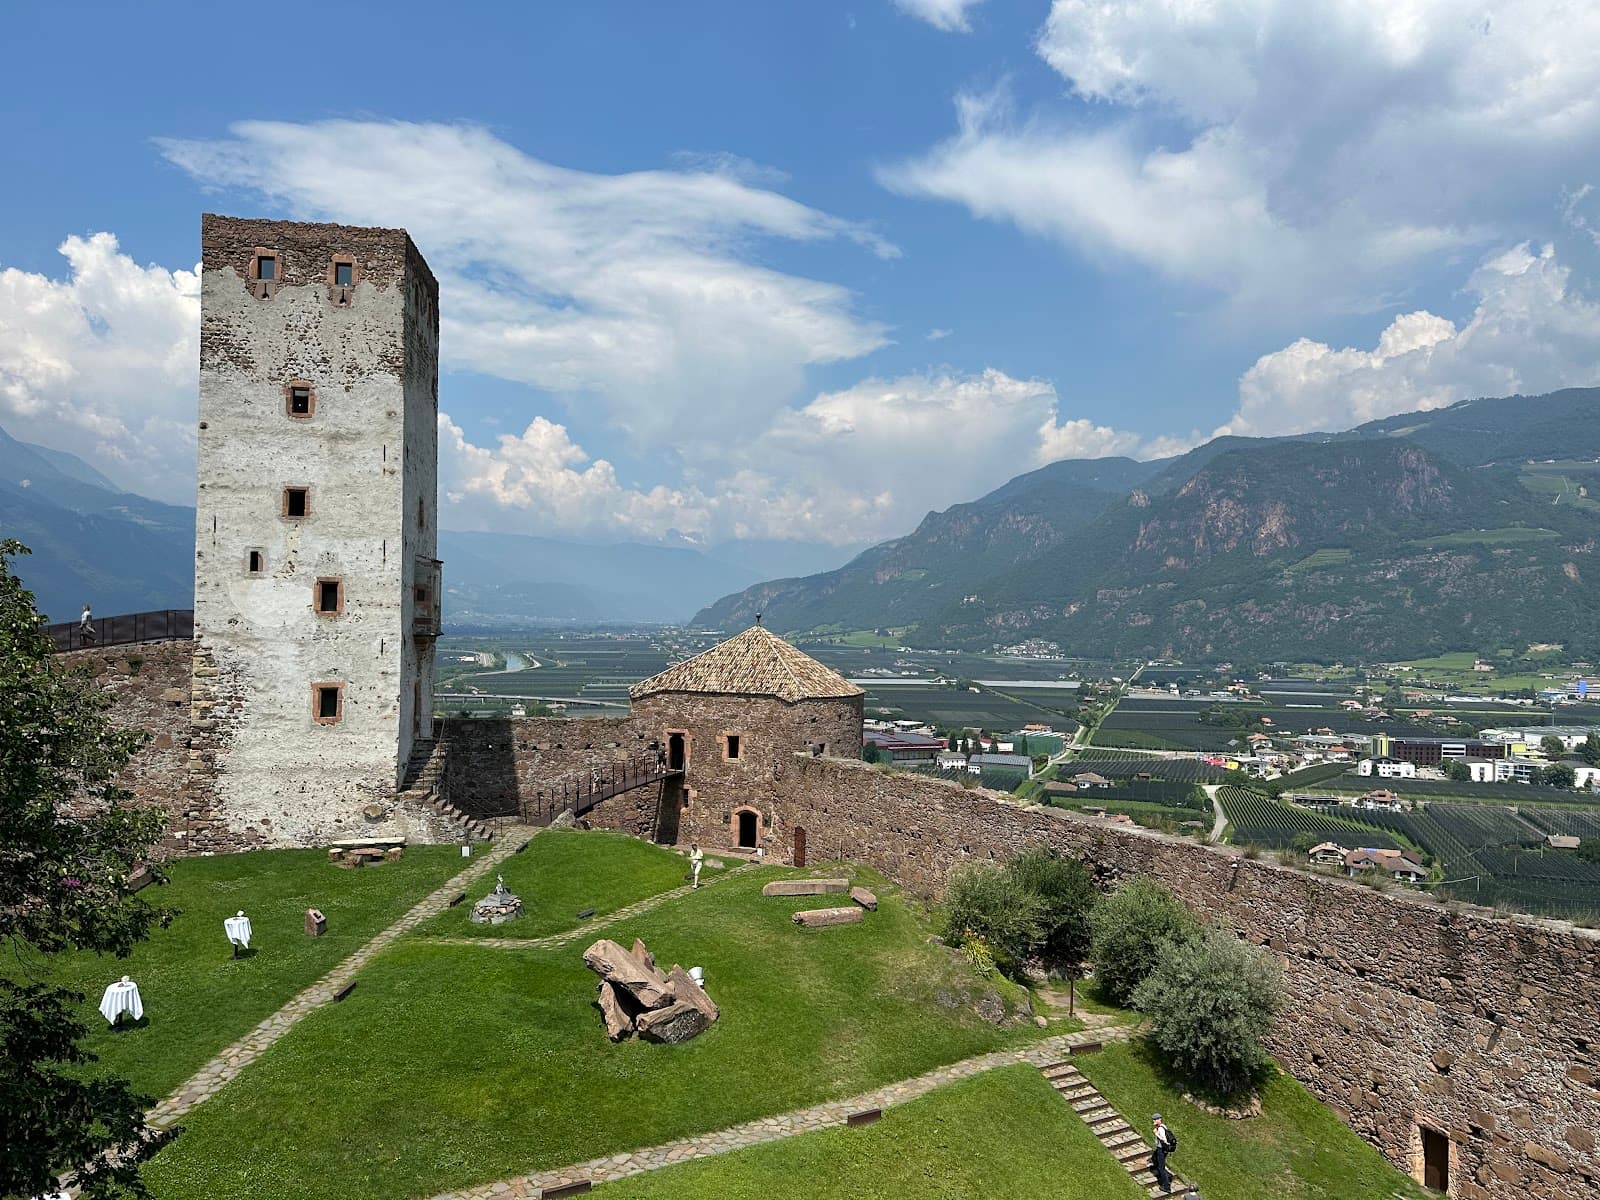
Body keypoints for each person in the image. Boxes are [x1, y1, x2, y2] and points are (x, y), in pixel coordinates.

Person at [1151, 1113, 1175, 1193]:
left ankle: (1166, 1186)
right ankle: (1158, 1170)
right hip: (1161, 1149)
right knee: (1154, 1158)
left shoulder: (1160, 1129)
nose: (1153, 1121)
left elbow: (1164, 1140)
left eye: (1154, 1119)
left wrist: (1156, 1134)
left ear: (1159, 1120)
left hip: (1161, 1149)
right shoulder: (1163, 1126)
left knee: (1162, 1168)